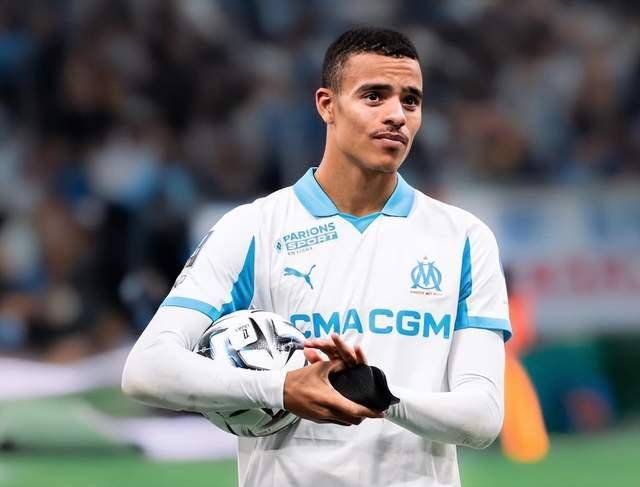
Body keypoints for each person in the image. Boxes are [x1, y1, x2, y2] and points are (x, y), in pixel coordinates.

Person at [122, 27, 511, 487]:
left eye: (410, 100)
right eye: (374, 96)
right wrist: (280, 389)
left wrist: (381, 397)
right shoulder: (252, 229)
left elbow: (483, 416)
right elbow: (146, 370)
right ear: (327, 105)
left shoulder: (463, 239)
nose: (396, 115)